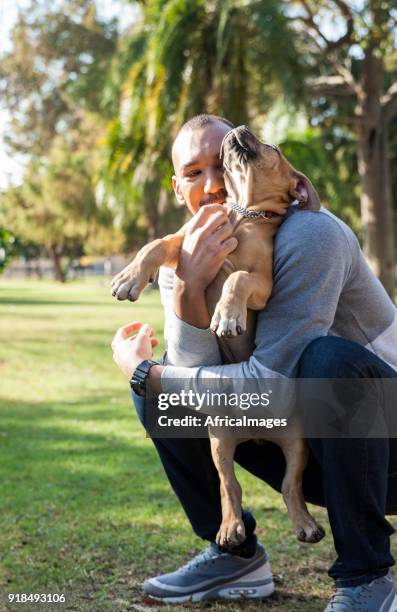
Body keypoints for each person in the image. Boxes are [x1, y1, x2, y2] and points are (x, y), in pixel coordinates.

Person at [111, 114, 397, 611]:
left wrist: (147, 373)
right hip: (310, 445)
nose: (215, 182)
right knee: (163, 399)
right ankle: (233, 549)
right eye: (194, 172)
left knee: (325, 360)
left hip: (386, 447)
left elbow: (272, 386)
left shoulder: (308, 233)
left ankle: (367, 578)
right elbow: (200, 385)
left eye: (223, 162)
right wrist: (191, 286)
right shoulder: (177, 257)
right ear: (179, 190)